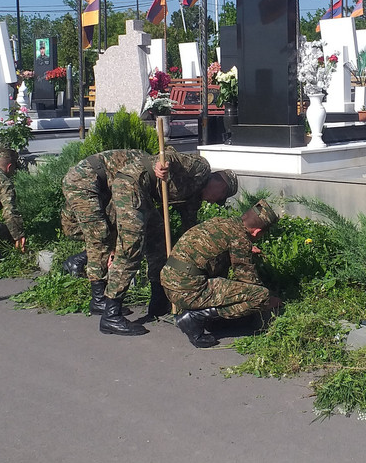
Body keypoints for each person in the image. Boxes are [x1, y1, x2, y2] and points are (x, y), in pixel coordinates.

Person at [60, 147, 238, 336]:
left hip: (140, 193)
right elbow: (170, 155)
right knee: (130, 247)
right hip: (129, 184)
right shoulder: (201, 168)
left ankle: (158, 299)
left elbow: (189, 231)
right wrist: (160, 165)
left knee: (157, 238)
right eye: (221, 198)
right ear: (222, 185)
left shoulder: (194, 198)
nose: (215, 202)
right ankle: (111, 314)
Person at [161, 199, 281, 348]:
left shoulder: (222, 223)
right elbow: (248, 280)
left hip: (170, 281)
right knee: (260, 296)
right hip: (187, 290)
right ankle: (194, 317)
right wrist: (270, 300)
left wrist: (244, 249)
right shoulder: (240, 238)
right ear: (257, 231)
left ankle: (207, 317)